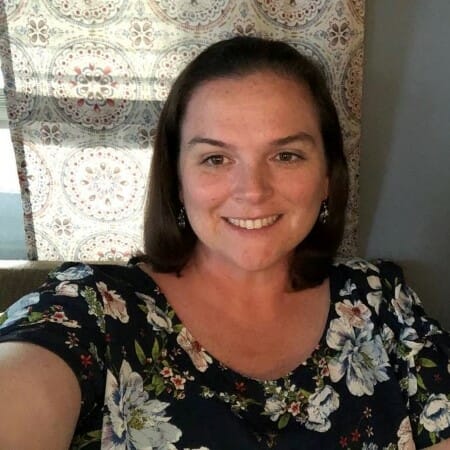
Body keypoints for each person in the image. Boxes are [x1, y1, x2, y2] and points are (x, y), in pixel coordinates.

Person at [0, 36, 448, 450]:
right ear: (177, 181)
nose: (251, 190)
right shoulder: (92, 308)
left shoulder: (382, 301)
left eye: (286, 155)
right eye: (215, 158)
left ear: (327, 177)